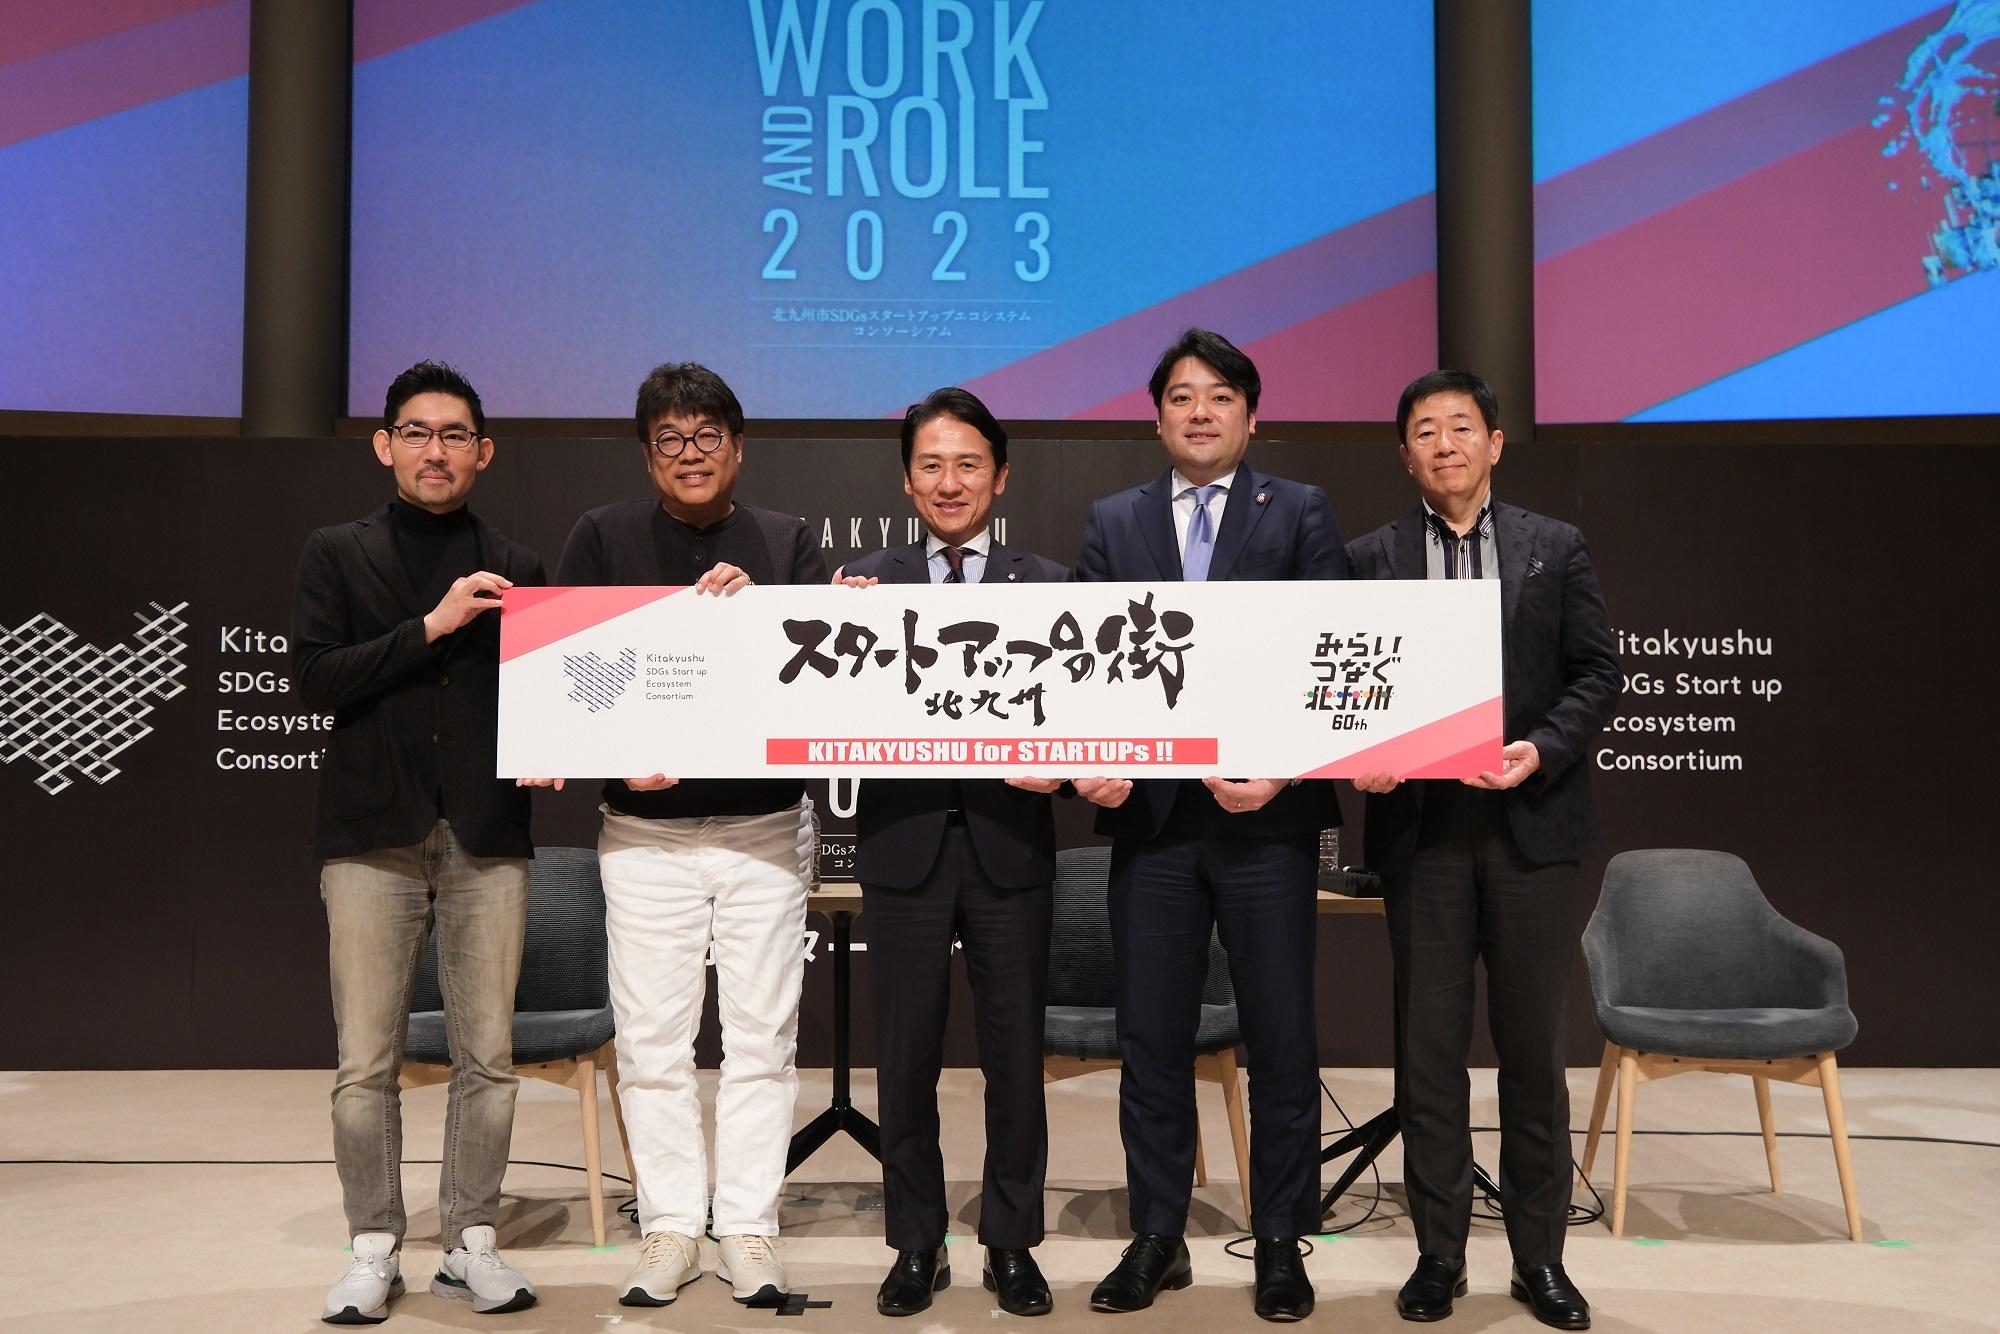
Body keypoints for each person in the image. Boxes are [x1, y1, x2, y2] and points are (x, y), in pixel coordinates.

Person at [1071, 328, 1347, 1322]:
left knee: (1281, 1034)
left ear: (1250, 416)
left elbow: (1329, 654)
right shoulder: (1114, 519)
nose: (1200, 411)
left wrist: (1282, 770)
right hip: (1152, 823)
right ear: (1157, 418)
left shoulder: (1299, 510)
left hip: (1266, 819)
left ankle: (1279, 1239)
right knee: (1151, 1037)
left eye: (1220, 395)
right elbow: (1087, 663)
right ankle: (1157, 1234)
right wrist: (1091, 764)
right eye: (1181, 396)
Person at [550, 362, 826, 1309]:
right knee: (652, 1042)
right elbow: (572, 678)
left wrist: (761, 615)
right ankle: (670, 1224)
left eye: (708, 436)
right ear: (647, 454)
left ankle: (747, 1224)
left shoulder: (786, 541)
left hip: (764, 830)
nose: (690, 453)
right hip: (644, 835)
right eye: (670, 438)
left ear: (738, 447)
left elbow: (814, 681)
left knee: (762, 1040)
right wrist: (616, 756)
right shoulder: (602, 536)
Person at [1348, 370, 1619, 1330]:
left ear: (1495, 443)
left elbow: (1597, 674)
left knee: (1533, 1054)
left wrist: (1539, 749)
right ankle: (1440, 1255)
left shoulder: (1556, 546)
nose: (1446, 444)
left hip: (1530, 833)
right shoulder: (1369, 558)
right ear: (1405, 454)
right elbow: (1346, 685)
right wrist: (1362, 753)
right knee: (1428, 1055)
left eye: (1461, 427)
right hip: (1422, 839)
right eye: (1425, 431)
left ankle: (1540, 1258)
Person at [293, 360, 544, 1323]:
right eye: (416, 432)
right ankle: (373, 1246)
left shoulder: (519, 563)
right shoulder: (335, 552)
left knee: (489, 1057)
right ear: (384, 444)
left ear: (484, 452)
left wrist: (559, 744)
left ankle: (472, 1240)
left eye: (454, 435)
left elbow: (551, 690)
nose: (435, 450)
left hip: (487, 833)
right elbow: (317, 679)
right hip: (371, 835)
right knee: (366, 1062)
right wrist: (432, 626)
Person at [833, 388, 1067, 1318]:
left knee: (1015, 1061)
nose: (949, 481)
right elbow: (826, 712)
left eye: (968, 463)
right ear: (906, 480)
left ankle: (1012, 1242)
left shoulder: (1048, 585)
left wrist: (1062, 769)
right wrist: (837, 628)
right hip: (904, 847)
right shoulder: (862, 584)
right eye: (930, 464)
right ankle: (916, 1242)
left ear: (1000, 477)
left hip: (1012, 847)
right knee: (904, 1060)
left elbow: (1084, 717)